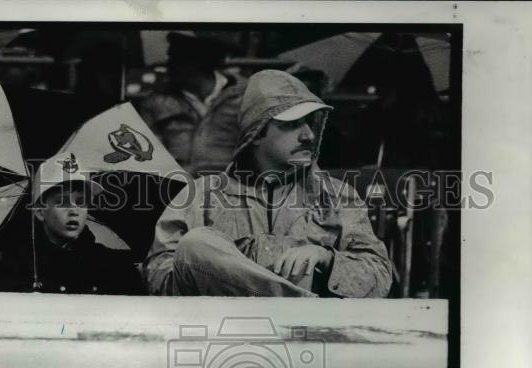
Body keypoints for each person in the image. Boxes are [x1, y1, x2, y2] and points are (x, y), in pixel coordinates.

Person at [144, 69, 392, 297]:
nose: (309, 135)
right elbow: (157, 275)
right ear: (257, 132)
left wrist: (326, 259)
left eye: (310, 123)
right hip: (225, 326)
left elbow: (380, 277)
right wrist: (224, 265)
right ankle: (293, 299)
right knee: (195, 244)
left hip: (308, 332)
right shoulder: (201, 195)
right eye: (292, 124)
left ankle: (291, 303)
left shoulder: (337, 196)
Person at [0, 160, 144, 294]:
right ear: (41, 212)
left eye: (80, 201)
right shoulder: (11, 268)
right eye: (62, 202)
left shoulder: (114, 268)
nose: (74, 210)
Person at [136, 31, 247, 178]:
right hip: (176, 187)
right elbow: (146, 153)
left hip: (232, 187)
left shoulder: (245, 95)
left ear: (202, 63)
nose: (169, 66)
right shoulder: (156, 102)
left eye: (177, 60)